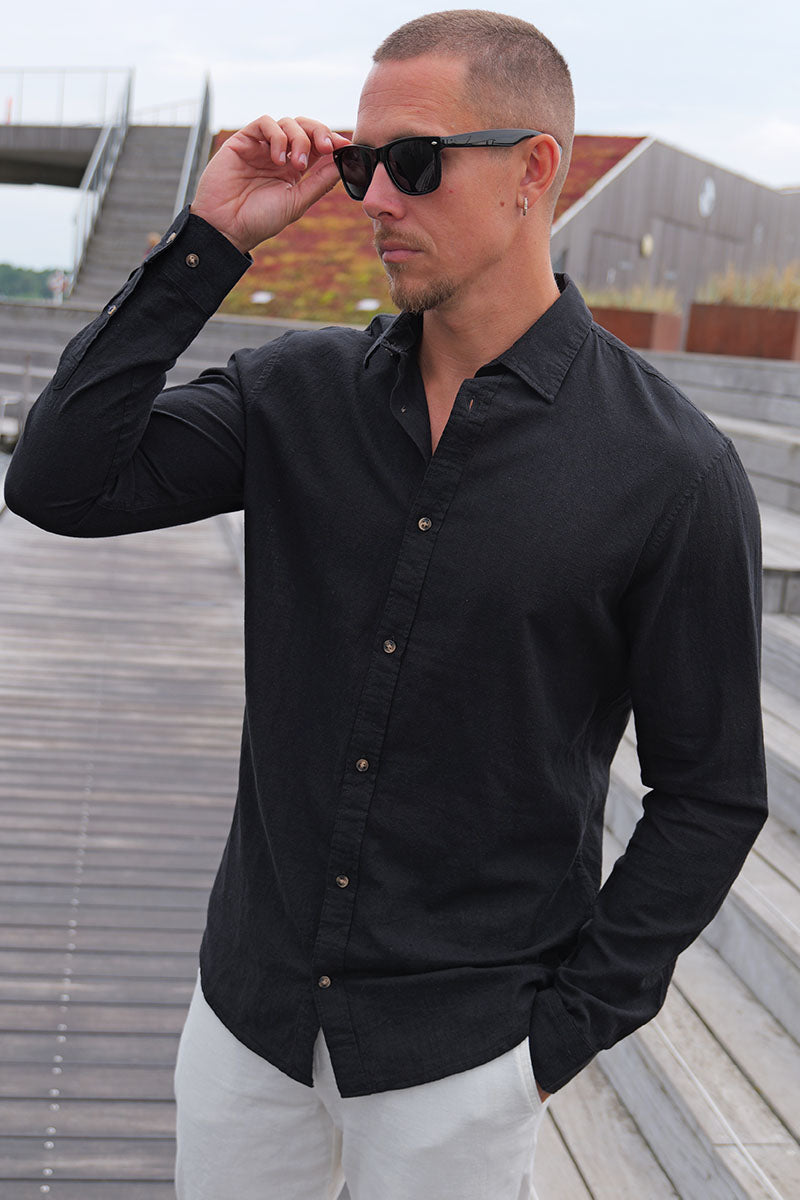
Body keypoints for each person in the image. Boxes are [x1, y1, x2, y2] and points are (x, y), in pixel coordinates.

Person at [5, 9, 767, 1199]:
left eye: (411, 162)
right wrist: (211, 239)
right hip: (248, 1023)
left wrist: (557, 1040)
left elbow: (710, 794)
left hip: (462, 1056)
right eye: (360, 163)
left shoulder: (668, 472)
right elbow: (57, 482)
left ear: (532, 170)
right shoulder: (293, 395)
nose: (371, 199)